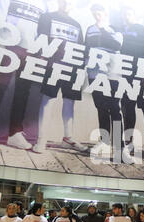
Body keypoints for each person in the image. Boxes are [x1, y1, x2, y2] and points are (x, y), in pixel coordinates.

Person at [0, 0, 49, 150]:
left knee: (23, 92)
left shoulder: (46, 3)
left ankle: (14, 134)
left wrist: (40, 50)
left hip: (31, 51)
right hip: (9, 45)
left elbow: (44, 28)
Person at [33, 0, 87, 153]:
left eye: (70, 2)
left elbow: (80, 49)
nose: (67, 3)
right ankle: (41, 140)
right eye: (64, 1)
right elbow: (41, 40)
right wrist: (42, 62)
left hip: (72, 68)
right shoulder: (47, 17)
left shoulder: (76, 24)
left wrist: (80, 70)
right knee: (47, 100)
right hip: (52, 66)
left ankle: (68, 138)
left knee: (69, 102)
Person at [86, 4, 131, 163]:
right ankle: (104, 141)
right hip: (94, 73)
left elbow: (117, 45)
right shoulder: (90, 29)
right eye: (94, 11)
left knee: (115, 109)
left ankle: (120, 149)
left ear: (106, 12)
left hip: (112, 74)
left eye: (100, 10)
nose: (97, 13)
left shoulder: (115, 28)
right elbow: (87, 48)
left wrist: (103, 29)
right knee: (101, 107)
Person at [119, 5, 144, 154]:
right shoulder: (120, 31)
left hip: (141, 75)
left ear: (134, 16)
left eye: (129, 14)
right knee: (129, 108)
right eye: (124, 14)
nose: (126, 16)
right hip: (126, 76)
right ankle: (129, 142)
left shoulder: (141, 29)